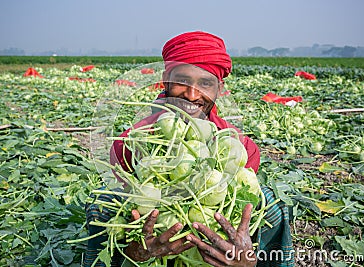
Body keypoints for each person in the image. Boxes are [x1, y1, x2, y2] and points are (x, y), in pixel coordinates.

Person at [84, 31, 294, 267]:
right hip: (156, 252)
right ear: (166, 82)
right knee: (100, 203)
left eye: (205, 83)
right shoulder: (129, 145)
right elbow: (127, 217)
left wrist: (246, 261)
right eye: (182, 82)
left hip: (210, 253)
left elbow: (239, 210)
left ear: (219, 89)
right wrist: (137, 251)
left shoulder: (240, 147)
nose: (192, 95)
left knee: (271, 204)